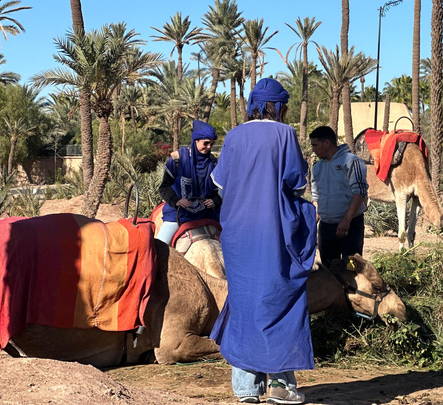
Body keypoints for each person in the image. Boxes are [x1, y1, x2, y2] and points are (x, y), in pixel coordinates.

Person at [209, 78, 317, 405]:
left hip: (238, 235)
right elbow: (296, 182)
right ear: (279, 107)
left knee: (244, 301)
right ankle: (282, 385)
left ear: (253, 104)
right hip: (273, 231)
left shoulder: (235, 135)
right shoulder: (284, 135)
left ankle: (246, 388)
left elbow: (221, 184)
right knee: (280, 298)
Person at [309, 126, 368, 267]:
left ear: (327, 143)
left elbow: (359, 192)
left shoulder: (351, 162)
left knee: (352, 271)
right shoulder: (317, 168)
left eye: (315, 145)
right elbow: (317, 199)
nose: (313, 150)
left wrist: (346, 220)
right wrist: (311, 227)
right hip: (326, 228)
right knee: (328, 272)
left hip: (351, 226)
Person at [158, 120, 221, 245]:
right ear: (196, 140)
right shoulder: (177, 159)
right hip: (178, 213)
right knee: (160, 247)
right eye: (206, 143)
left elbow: (218, 191)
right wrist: (176, 201)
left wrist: (214, 201)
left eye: (211, 144)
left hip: (206, 213)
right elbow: (164, 187)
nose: (209, 147)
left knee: (231, 242)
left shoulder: (213, 163)